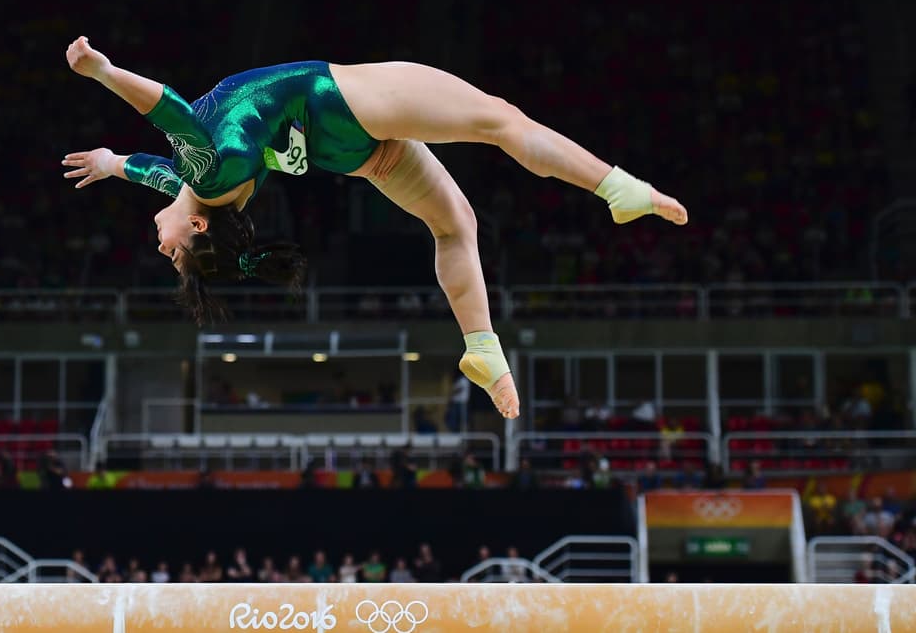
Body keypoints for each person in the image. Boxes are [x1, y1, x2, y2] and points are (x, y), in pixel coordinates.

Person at [63, 37, 688, 418]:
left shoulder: (195, 190)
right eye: (176, 254)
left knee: (456, 225)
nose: (162, 247)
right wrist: (101, 72)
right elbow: (168, 108)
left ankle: (483, 349)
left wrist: (111, 163)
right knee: (500, 119)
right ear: (199, 225)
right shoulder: (207, 169)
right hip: (346, 99)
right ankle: (616, 188)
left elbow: (147, 170)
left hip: (349, 152)